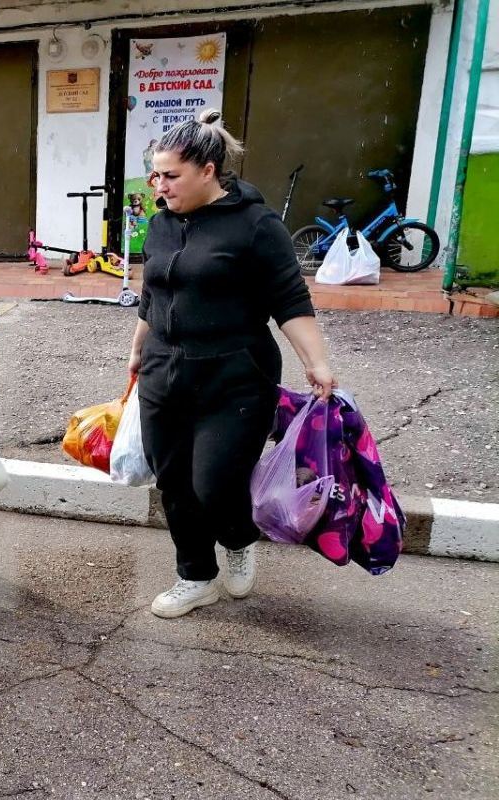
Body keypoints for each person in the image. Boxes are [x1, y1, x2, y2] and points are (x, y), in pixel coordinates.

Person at [129, 108, 337, 619]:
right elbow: (152, 297)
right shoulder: (160, 224)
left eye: (171, 175)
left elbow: (289, 298)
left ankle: (239, 538)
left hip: (235, 378)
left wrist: (317, 361)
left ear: (208, 171)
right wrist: (136, 352)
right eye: (156, 174)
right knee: (173, 482)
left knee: (215, 483)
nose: (160, 185)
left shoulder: (256, 226)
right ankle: (195, 576)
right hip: (164, 372)